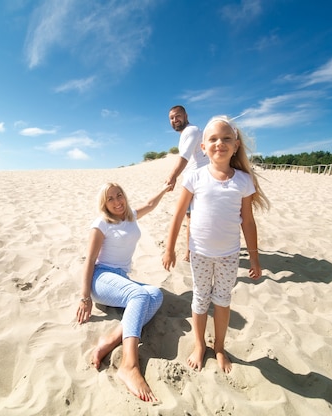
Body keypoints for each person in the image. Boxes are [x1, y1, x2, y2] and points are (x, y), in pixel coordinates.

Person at [162, 115, 270, 373]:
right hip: (200, 253)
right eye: (212, 139)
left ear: (235, 145)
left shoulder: (243, 181)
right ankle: (200, 345)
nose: (219, 143)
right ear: (203, 147)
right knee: (200, 300)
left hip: (229, 255)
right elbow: (178, 216)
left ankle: (219, 347)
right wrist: (169, 249)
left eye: (226, 139)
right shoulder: (195, 177)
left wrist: (254, 257)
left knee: (222, 301)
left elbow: (248, 222)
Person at [76, 181, 171, 402]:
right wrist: (84, 297)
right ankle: (129, 365)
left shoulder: (130, 217)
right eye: (110, 198)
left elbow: (150, 204)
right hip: (101, 279)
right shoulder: (101, 224)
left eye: (119, 195)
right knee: (138, 295)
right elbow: (89, 260)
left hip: (120, 279)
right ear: (104, 204)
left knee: (155, 294)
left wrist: (166, 188)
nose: (117, 201)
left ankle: (110, 340)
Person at [165, 105, 210, 262]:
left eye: (178, 116)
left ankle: (190, 253)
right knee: (197, 216)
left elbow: (183, 157)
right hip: (196, 178)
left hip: (198, 179)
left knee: (191, 217)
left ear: (186, 115)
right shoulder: (187, 133)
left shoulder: (191, 130)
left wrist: (172, 176)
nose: (175, 120)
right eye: (171, 118)